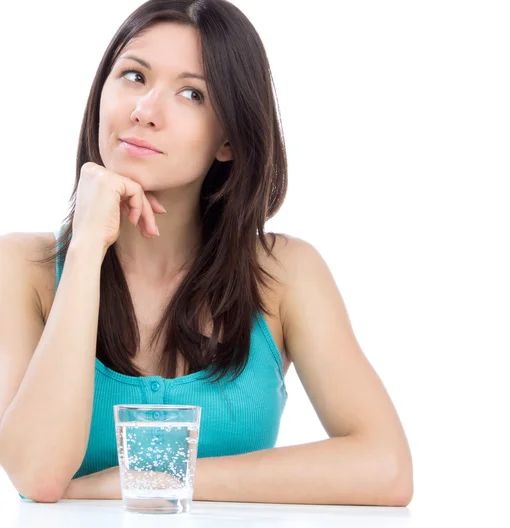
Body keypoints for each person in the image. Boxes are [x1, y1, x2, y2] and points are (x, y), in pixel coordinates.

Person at [0, 0, 412, 507]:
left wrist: (138, 477)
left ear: (229, 140)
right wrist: (85, 248)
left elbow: (386, 468)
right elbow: (37, 474)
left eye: (192, 93)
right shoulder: (22, 269)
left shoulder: (284, 274)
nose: (145, 110)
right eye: (133, 76)